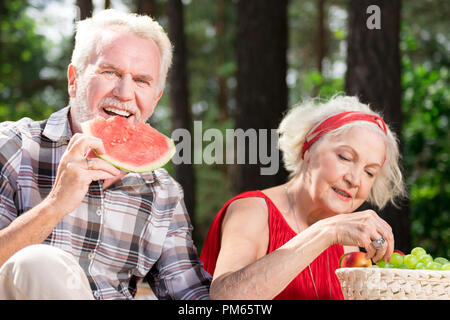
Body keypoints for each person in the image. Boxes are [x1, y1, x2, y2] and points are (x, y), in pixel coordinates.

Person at [0, 9, 211, 300]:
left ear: (156, 98)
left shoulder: (163, 192)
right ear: (73, 80)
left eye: (141, 81)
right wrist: (54, 205)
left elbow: (190, 295)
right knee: (36, 263)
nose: (125, 93)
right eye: (110, 72)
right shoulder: (13, 147)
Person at [200, 95, 407, 300]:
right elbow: (226, 298)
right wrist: (326, 232)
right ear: (307, 149)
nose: (355, 180)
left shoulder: (350, 244)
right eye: (344, 157)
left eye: (369, 172)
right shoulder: (251, 210)